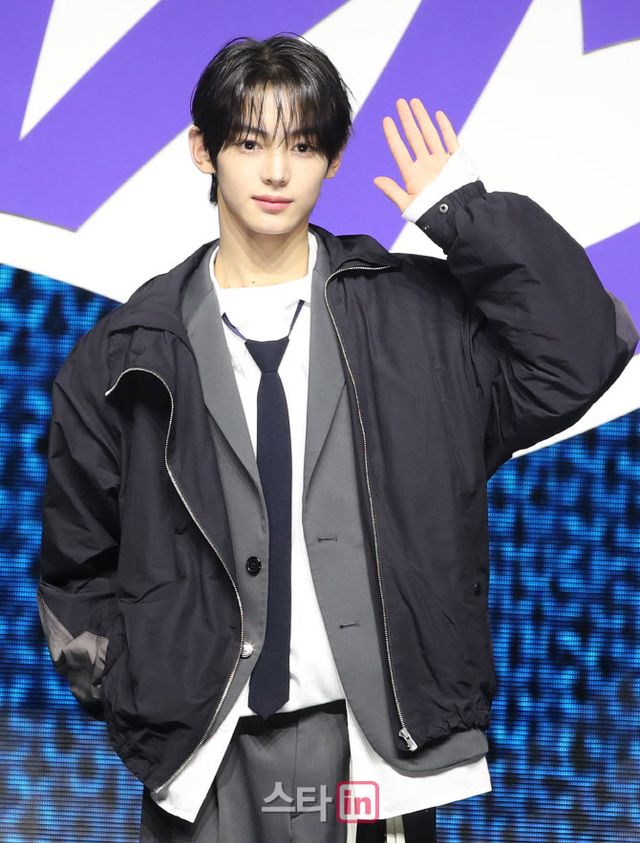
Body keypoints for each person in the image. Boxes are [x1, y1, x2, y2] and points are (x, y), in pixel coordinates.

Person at [36, 32, 639, 843]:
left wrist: (463, 211)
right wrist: (138, 689)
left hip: (371, 763)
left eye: (302, 145)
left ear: (334, 160)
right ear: (202, 151)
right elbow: (75, 564)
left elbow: (580, 353)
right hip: (204, 762)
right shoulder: (124, 355)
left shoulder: (414, 323)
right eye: (250, 143)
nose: (276, 172)